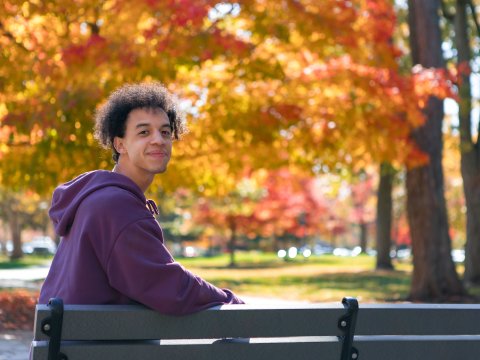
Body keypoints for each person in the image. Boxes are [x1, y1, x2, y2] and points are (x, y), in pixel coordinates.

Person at [39, 82, 244, 315]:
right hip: (96, 348)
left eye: (165, 132)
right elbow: (171, 288)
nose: (158, 140)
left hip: (70, 344)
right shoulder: (116, 206)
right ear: (120, 144)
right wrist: (231, 301)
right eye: (144, 132)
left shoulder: (100, 198)